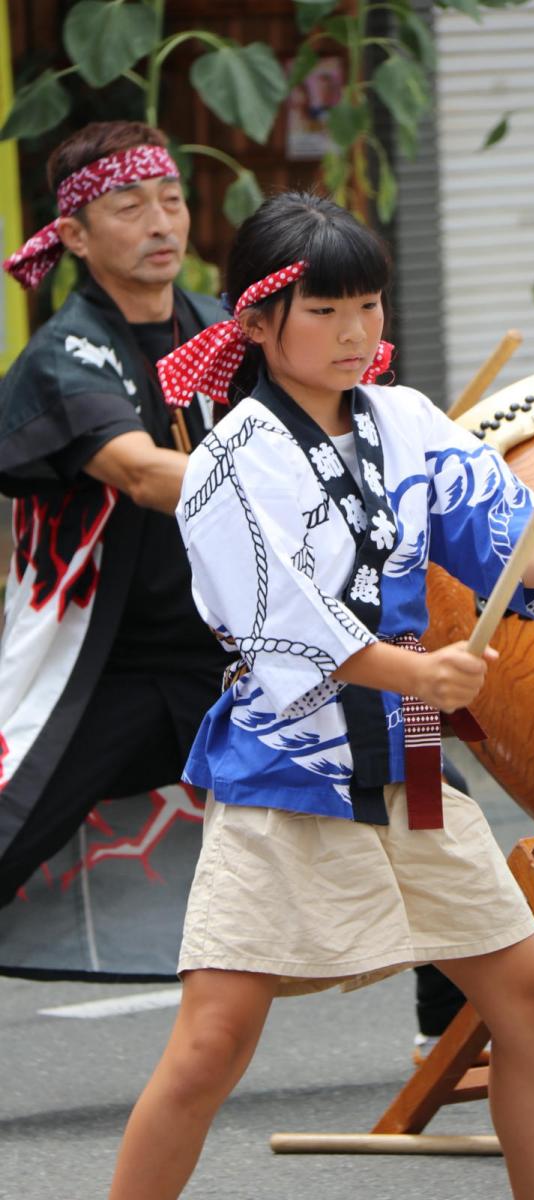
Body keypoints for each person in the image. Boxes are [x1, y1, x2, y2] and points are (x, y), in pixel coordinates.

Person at [108, 191, 534, 1200]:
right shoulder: (226, 462)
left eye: (371, 308)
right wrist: (412, 671)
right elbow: (271, 620)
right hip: (287, 765)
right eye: (326, 310)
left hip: (413, 751)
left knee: (527, 998)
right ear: (256, 322)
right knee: (214, 1041)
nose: (356, 334)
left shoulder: (409, 421)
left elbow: (500, 538)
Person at [0, 120, 230, 912]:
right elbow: (139, 472)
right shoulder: (67, 354)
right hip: (103, 672)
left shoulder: (227, 330)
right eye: (129, 207)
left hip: (234, 657)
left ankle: (445, 1033)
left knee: (415, 786)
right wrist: (289, 484)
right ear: (73, 234)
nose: (161, 223)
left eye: (170, 200)